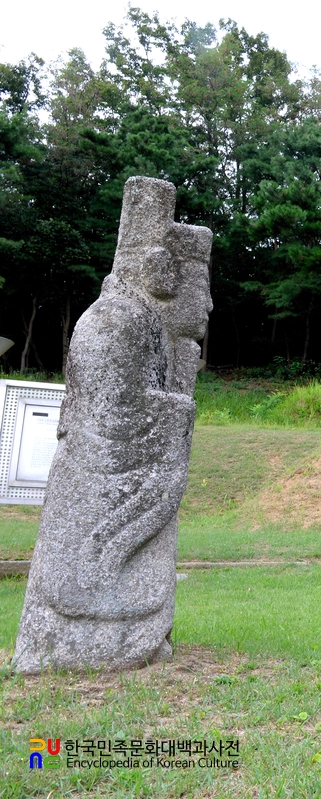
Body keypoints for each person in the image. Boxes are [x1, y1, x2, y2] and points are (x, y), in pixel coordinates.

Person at [12, 177, 212, 673]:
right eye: (200, 288)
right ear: (162, 272)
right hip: (91, 505)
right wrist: (176, 410)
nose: (206, 305)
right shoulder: (113, 321)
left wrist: (179, 378)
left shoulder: (143, 326)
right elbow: (108, 422)